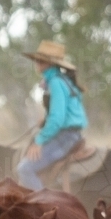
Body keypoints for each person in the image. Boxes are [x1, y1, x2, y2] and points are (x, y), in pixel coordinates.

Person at [16, 40, 89, 191]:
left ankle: (44, 206)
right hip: (71, 134)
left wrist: (39, 140)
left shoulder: (55, 82)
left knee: (24, 169)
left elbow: (57, 119)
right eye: (37, 59)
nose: (37, 62)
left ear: (50, 63)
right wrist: (46, 118)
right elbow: (68, 111)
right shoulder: (63, 80)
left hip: (65, 136)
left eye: (40, 60)